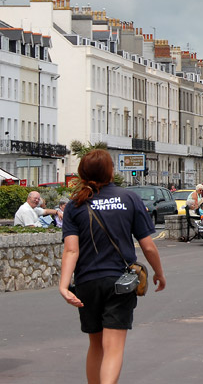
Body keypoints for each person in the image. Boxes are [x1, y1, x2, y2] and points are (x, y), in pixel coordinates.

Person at [58, 149, 165, 384]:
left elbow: (71, 250)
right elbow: (147, 246)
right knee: (113, 347)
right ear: (110, 171)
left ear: (82, 173)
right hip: (119, 282)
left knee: (96, 345)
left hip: (87, 282)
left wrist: (64, 286)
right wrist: (159, 273)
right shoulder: (129, 198)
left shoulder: (75, 205)